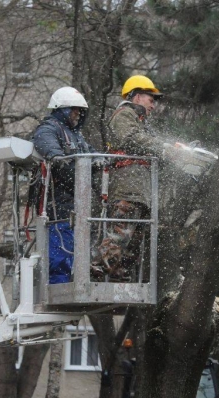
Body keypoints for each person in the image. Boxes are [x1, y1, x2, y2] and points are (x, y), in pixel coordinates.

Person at [91, 75, 164, 281]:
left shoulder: (140, 123)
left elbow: (148, 148)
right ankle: (97, 266)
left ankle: (119, 273)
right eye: (151, 100)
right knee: (120, 232)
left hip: (140, 190)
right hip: (127, 187)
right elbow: (132, 140)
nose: (153, 106)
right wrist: (163, 147)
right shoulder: (124, 115)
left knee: (134, 240)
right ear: (138, 96)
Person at [31, 87, 94, 284]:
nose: (77, 114)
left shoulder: (77, 136)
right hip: (57, 204)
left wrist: (104, 160)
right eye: (74, 110)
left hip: (75, 203)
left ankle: (66, 281)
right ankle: (57, 284)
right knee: (59, 249)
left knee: (72, 248)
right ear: (62, 109)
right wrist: (56, 156)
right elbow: (44, 141)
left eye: (79, 111)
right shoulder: (50, 128)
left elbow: (91, 153)